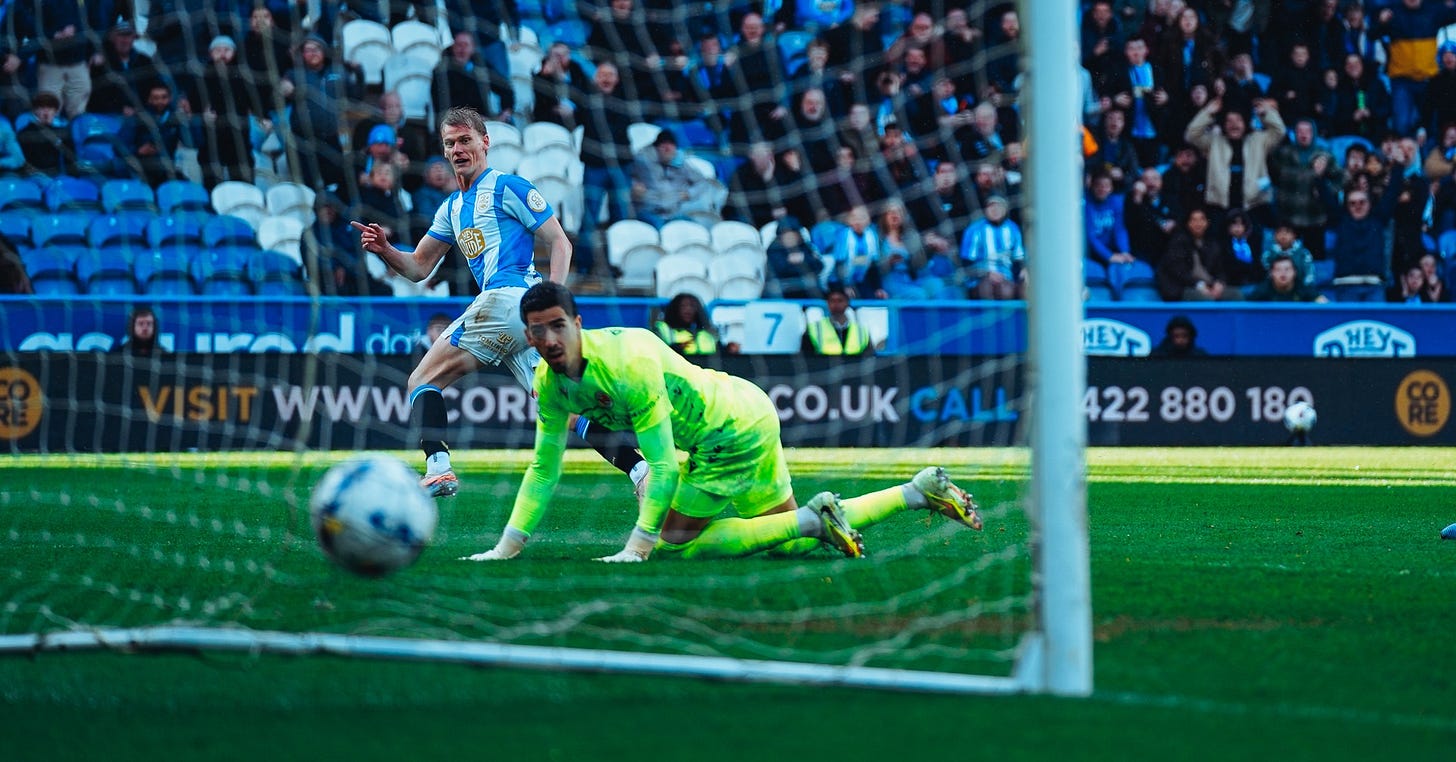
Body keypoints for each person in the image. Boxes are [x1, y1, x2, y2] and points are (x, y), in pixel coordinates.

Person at [462, 282, 980, 563]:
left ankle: (813, 519)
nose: (551, 339)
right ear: (529, 339)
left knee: (673, 541)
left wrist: (638, 547)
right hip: (748, 411)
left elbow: (662, 467)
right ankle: (916, 492)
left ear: (577, 323)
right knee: (793, 546)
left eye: (559, 325)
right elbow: (543, 468)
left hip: (727, 433)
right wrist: (508, 544)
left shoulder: (627, 363)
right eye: (539, 331)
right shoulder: (551, 387)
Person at [352, 107, 645, 498]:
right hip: (519, 321)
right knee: (564, 409)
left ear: (485, 142)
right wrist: (385, 250)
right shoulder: (452, 208)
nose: (457, 149)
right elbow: (419, 267)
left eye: (465, 141)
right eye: (450, 143)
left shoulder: (509, 187)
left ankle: (438, 468)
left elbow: (560, 241)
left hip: (507, 301)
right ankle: (642, 472)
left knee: (421, 380)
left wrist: (552, 300)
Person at [630, 130, 720, 229]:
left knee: (694, 228)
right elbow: (629, 179)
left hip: (673, 213)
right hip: (649, 211)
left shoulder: (680, 162)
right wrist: (634, 188)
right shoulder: (642, 161)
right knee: (661, 229)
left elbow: (702, 182)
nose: (667, 150)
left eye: (671, 146)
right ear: (656, 147)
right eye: (663, 146)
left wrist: (690, 193)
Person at [959, 194, 1026, 300]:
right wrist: (987, 273)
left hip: (1006, 277)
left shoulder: (1013, 229)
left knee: (1008, 290)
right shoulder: (975, 229)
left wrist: (1023, 270)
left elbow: (1018, 258)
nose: (995, 210)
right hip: (980, 277)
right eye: (991, 206)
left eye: (998, 206)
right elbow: (967, 262)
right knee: (987, 289)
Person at [802, 286, 873, 356]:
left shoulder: (861, 331)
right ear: (828, 304)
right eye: (832, 301)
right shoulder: (814, 329)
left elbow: (870, 357)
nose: (836, 304)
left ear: (847, 303)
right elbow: (807, 357)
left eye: (840, 300)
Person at [653, 293, 730, 356]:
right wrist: (675, 349)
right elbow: (655, 353)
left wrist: (728, 350)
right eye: (683, 306)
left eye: (692, 306)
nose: (688, 309)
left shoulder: (708, 332)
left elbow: (720, 357)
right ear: (675, 308)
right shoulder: (662, 330)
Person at [1247, 253, 1327, 302]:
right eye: (1278, 270)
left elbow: (1322, 302)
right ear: (1271, 273)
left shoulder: (1302, 288)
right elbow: (1247, 308)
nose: (1283, 273)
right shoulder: (1262, 290)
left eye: (1287, 269)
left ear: (1294, 272)